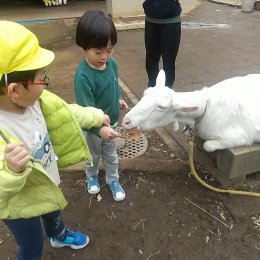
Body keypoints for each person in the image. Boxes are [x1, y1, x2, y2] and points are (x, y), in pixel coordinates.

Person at [0, 20, 110, 260]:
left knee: (54, 210)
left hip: (47, 184)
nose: (46, 82)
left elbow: (68, 112)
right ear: (15, 90)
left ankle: (59, 235)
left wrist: (97, 116)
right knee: (32, 246)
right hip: (21, 206)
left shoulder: (37, 100)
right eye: (42, 78)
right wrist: (11, 171)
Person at [74, 10, 128, 202]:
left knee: (111, 155)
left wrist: (118, 98)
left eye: (109, 50)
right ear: (84, 47)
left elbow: (114, 84)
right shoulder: (83, 77)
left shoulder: (112, 64)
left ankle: (113, 179)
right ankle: (92, 175)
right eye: (98, 51)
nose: (105, 56)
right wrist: (98, 128)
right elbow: (85, 110)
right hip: (93, 128)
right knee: (93, 155)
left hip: (111, 123)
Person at [142, 0, 182, 88]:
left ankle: (166, 92)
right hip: (150, 19)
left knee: (169, 62)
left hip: (171, 21)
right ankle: (153, 88)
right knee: (151, 60)